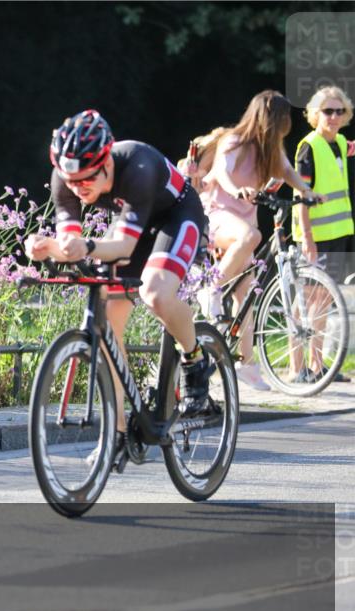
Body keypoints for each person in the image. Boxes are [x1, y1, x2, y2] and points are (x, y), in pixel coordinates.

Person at [24, 109, 212, 463]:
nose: (78, 188)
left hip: (176, 218)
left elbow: (123, 248)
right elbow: (70, 242)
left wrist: (86, 247)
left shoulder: (138, 166)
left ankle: (195, 360)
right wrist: (43, 246)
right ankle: (119, 433)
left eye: (86, 180)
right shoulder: (65, 178)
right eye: (71, 180)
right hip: (132, 227)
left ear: (107, 161)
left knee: (154, 291)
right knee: (109, 327)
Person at [199, 90, 320, 391]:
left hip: (243, 224)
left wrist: (307, 193)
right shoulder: (234, 141)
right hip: (217, 216)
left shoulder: (270, 149)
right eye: (283, 119)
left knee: (247, 294)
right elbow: (221, 173)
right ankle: (210, 289)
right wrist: (236, 190)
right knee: (252, 236)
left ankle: (246, 364)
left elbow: (289, 172)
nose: (286, 125)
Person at [291, 85, 354, 383]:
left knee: (325, 301)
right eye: (327, 111)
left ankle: (318, 367)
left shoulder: (339, 142)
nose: (333, 116)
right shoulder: (309, 146)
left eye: (339, 111)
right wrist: (308, 239)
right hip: (315, 235)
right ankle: (298, 368)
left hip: (340, 233)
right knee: (307, 302)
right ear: (315, 114)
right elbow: (301, 195)